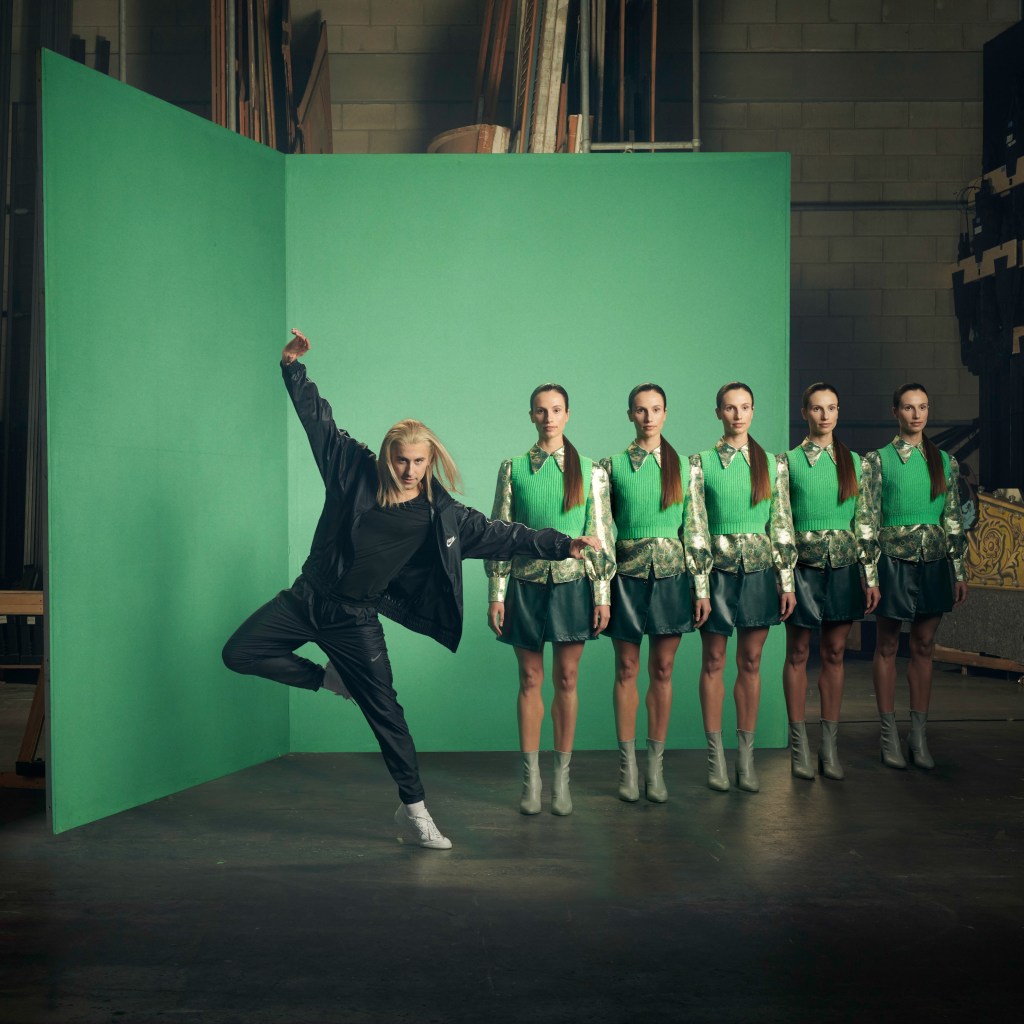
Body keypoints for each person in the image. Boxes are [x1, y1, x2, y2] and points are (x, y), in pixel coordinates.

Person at [222, 331, 601, 850]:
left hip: (356, 619)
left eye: (419, 462)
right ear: (388, 457)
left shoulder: (441, 516)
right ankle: (329, 682)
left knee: (389, 718)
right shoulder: (352, 469)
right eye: (401, 460)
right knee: (239, 651)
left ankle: (415, 811)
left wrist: (564, 544)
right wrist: (293, 368)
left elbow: (505, 535)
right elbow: (319, 424)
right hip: (307, 598)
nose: (409, 471)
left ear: (431, 461)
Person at [486, 383, 615, 816]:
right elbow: (499, 535)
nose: (549, 418)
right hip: (523, 585)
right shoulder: (514, 468)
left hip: (571, 586)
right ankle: (532, 780)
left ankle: (562, 779)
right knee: (529, 680)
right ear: (531, 416)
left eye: (556, 410)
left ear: (568, 413)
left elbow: (600, 536)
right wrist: (496, 592)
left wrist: (601, 594)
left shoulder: (591, 470)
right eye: (541, 411)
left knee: (568, 679)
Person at [683, 382, 796, 793]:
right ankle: (716, 760)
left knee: (751, 662)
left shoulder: (772, 463)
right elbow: (694, 528)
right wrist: (698, 585)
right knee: (713, 661)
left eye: (745, 407)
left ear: (753, 410)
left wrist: (785, 580)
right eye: (730, 408)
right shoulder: (699, 463)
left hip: (760, 572)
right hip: (715, 574)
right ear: (718, 413)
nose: (738, 415)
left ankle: (746, 759)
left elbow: (781, 524)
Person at [600, 383, 708, 804]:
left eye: (656, 409)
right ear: (630, 415)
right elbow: (604, 532)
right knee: (626, 669)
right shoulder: (609, 467)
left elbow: (696, 529)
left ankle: (655, 768)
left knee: (663, 670)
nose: (648, 417)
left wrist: (700, 586)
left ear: (666, 413)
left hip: (672, 578)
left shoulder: (686, 466)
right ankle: (628, 769)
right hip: (625, 578)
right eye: (641, 410)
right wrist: (601, 591)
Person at [862, 383, 968, 770]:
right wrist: (870, 575)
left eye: (923, 407)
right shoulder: (877, 461)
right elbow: (867, 520)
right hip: (891, 560)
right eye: (908, 407)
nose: (917, 414)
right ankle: (888, 734)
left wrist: (958, 569)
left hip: (934, 561)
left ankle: (919, 736)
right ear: (896, 412)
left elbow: (953, 519)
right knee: (887, 645)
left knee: (924, 645)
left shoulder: (946, 462)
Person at [782, 383, 880, 781]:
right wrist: (785, 577)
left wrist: (869, 575)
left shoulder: (856, 464)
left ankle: (829, 746)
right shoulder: (785, 464)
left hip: (842, 566)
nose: (825, 415)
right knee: (798, 654)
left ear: (839, 413)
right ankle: (799, 745)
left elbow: (866, 522)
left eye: (832, 408)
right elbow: (781, 524)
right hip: (802, 568)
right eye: (817, 409)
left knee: (836, 653)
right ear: (805, 413)